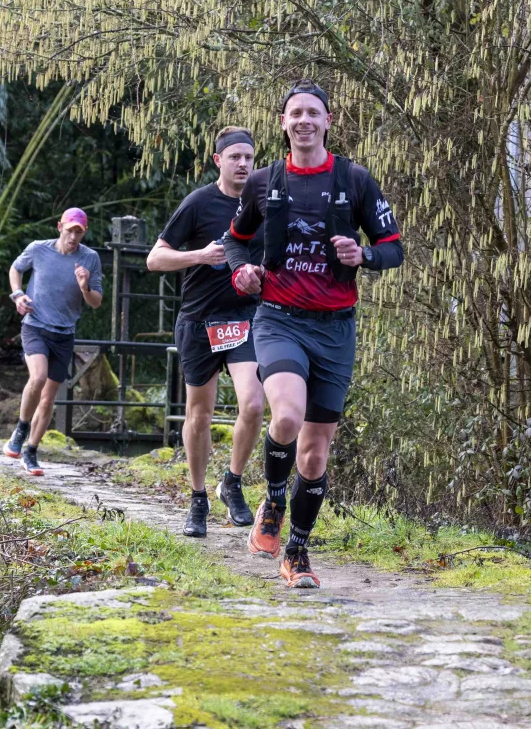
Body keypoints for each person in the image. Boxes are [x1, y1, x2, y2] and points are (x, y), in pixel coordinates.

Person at [223, 79, 404, 588]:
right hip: (279, 318)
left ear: (328, 121)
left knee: (316, 453)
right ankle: (273, 501)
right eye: (295, 113)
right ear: (283, 123)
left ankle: (297, 553)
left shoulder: (355, 180)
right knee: (286, 415)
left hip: (335, 329)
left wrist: (363, 254)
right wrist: (242, 273)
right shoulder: (264, 181)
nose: (304, 120)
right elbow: (234, 242)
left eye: (313, 113)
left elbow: (393, 247)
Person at [147, 127, 266, 537]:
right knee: (199, 414)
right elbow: (154, 259)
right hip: (200, 321)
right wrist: (199, 255)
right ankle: (198, 498)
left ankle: (232, 482)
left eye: (248, 157)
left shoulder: (262, 204)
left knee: (254, 404)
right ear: (218, 160)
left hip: (246, 318)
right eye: (234, 157)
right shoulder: (199, 202)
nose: (243, 164)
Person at [4, 208, 103, 476]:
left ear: (84, 233)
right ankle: (21, 429)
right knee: (38, 377)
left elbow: (96, 301)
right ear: (60, 227)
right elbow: (15, 268)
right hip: (35, 325)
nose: (73, 237)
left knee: (48, 399)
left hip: (64, 333)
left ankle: (31, 451)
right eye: (70, 230)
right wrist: (18, 295)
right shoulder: (38, 249)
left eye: (79, 232)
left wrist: (84, 286)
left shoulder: (90, 258)